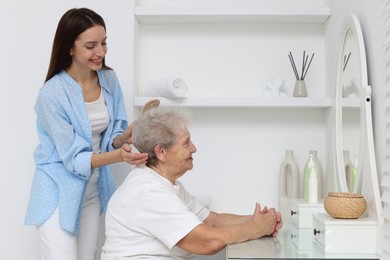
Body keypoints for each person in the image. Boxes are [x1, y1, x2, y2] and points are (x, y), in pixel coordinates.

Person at [24, 8, 149, 260]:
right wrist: (119, 156)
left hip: (92, 191)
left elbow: (112, 133)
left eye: (103, 43)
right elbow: (74, 159)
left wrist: (122, 139)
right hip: (57, 193)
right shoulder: (51, 95)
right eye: (91, 46)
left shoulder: (109, 79)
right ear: (69, 48)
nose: (100, 52)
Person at [101, 107, 283, 260]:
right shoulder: (148, 192)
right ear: (161, 152)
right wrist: (256, 228)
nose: (194, 148)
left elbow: (213, 221)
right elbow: (207, 242)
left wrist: (260, 220)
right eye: (186, 143)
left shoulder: (166, 183)